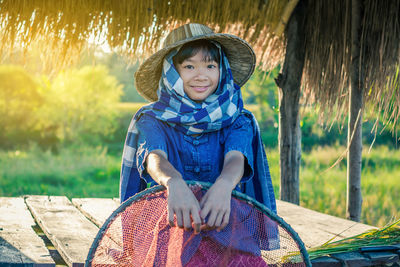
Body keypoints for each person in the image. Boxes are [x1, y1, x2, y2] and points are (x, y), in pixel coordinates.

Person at [120, 23, 277, 265]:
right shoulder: (152, 118)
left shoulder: (238, 118)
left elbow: (236, 158)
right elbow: (154, 158)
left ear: (221, 70)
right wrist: (173, 182)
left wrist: (225, 185)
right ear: (172, 71)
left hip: (225, 225)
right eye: (189, 66)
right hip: (170, 225)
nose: (201, 75)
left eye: (210, 66)